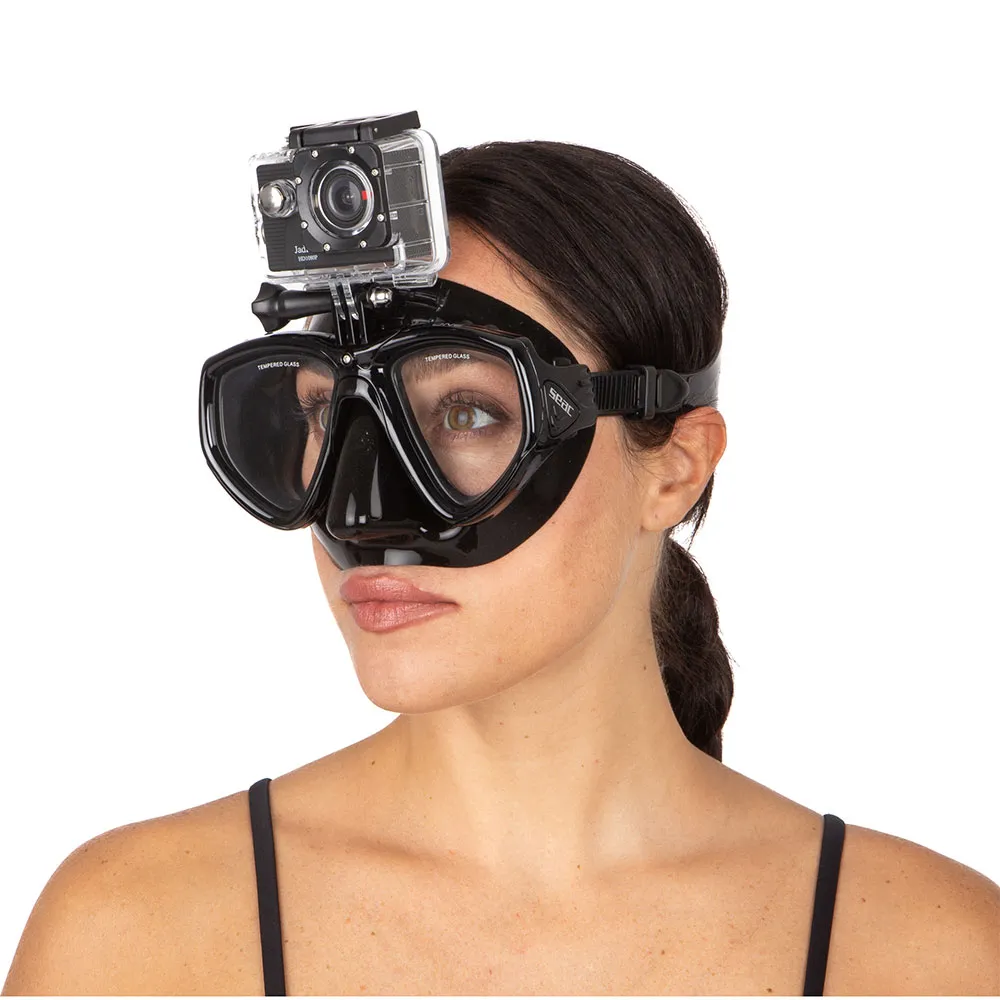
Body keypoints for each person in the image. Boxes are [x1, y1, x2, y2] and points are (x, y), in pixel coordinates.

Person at [3, 140, 998, 997]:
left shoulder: (928, 955)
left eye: (468, 412)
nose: (359, 510)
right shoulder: (134, 938)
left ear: (674, 469)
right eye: (324, 415)